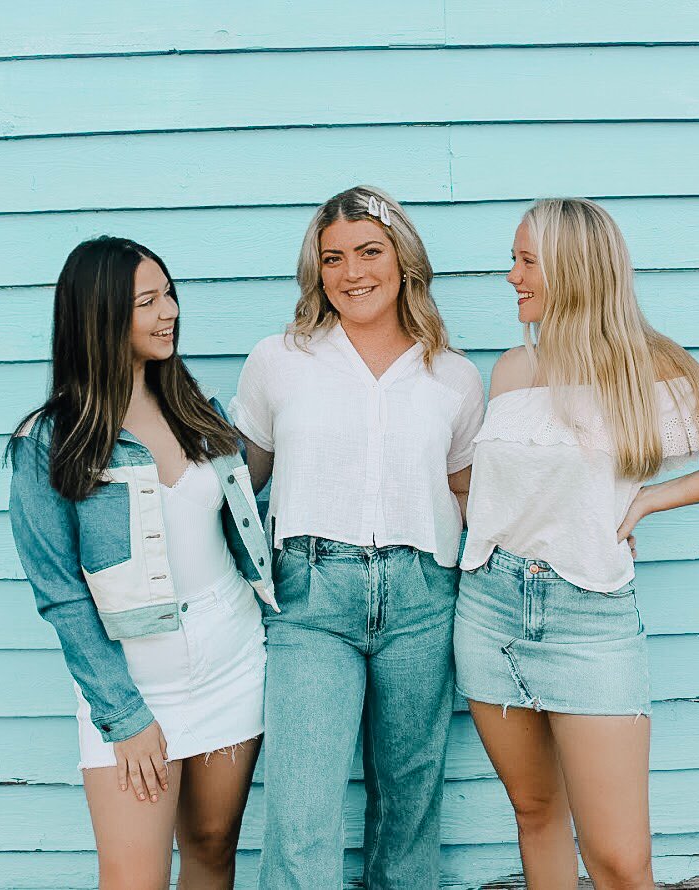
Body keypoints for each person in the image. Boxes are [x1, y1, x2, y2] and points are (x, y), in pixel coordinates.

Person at [455, 199, 699, 889]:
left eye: (526, 261)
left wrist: (653, 498)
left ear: (573, 270)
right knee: (536, 814)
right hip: (488, 609)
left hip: (589, 619)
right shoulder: (510, 370)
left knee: (621, 862)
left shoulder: (651, 372)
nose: (511, 277)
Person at [229, 187, 486, 889]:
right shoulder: (278, 360)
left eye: (369, 252)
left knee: (408, 806)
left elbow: (470, 493)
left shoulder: (454, 377)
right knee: (302, 812)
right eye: (333, 258)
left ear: (403, 259)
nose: (351, 273)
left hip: (423, 598)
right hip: (310, 596)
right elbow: (235, 483)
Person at [7, 236, 275, 889]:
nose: (170, 313)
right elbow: (62, 597)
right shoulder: (49, 445)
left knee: (213, 850)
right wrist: (124, 719)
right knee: (135, 879)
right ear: (98, 318)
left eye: (169, 294)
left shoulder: (197, 410)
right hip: (132, 688)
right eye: (147, 302)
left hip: (233, 665)